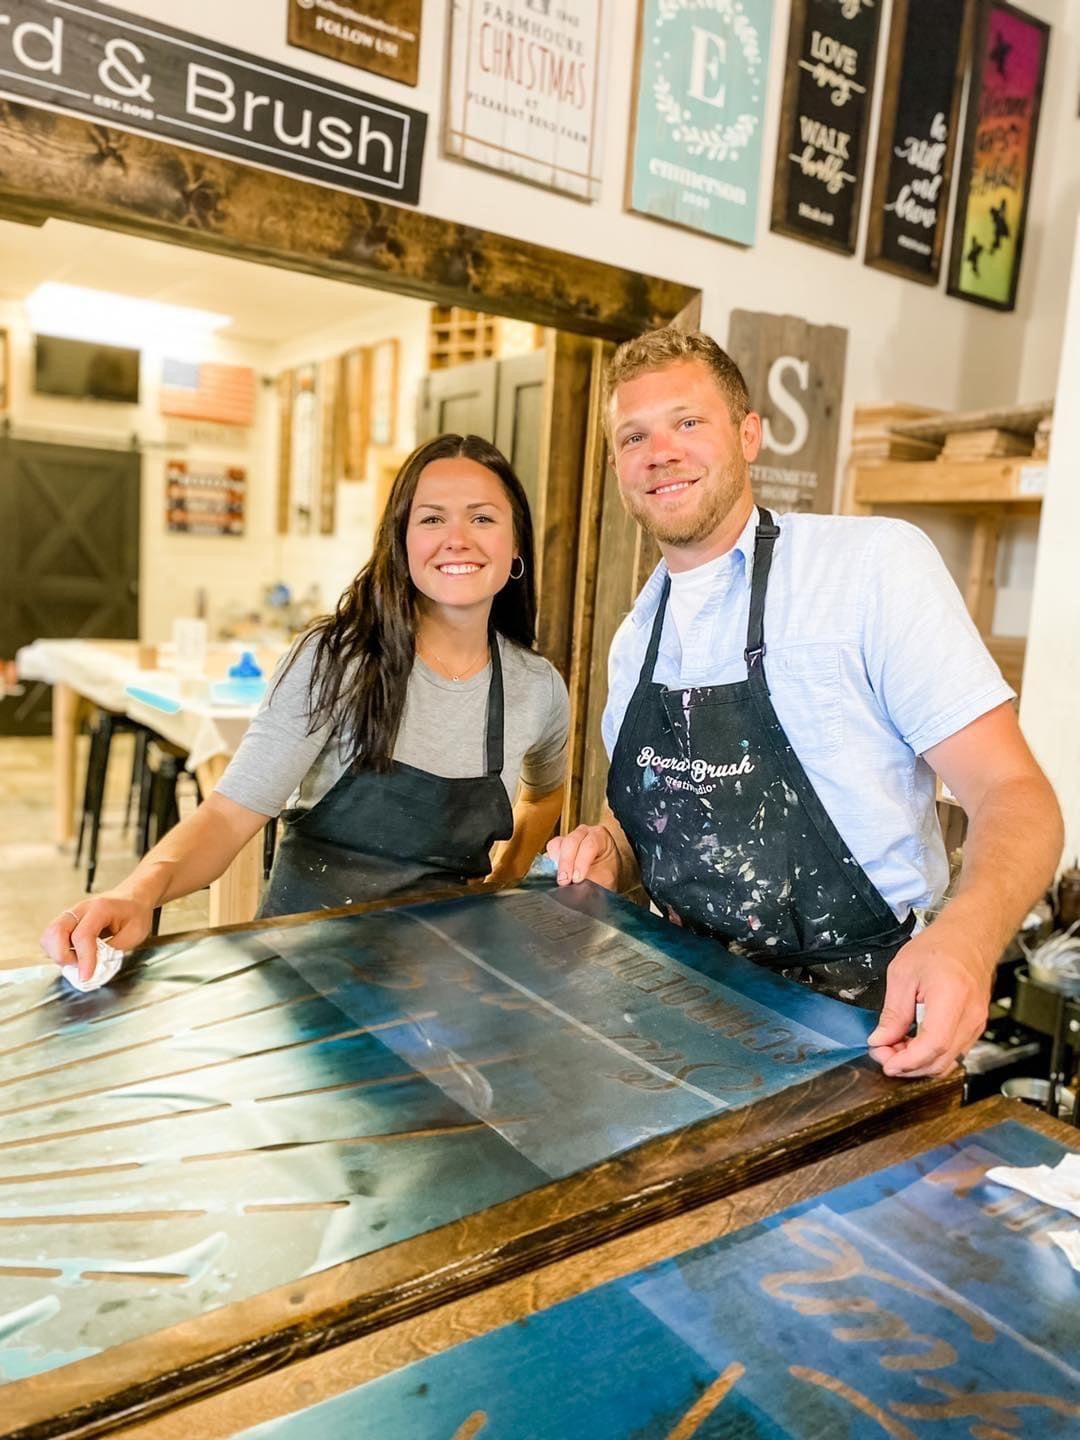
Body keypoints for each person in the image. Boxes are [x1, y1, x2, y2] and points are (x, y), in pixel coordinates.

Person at [549, 327, 1062, 1079]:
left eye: (688, 422)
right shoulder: (636, 640)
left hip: (864, 1033)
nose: (661, 450)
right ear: (619, 466)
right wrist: (610, 851)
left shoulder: (869, 571)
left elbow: (1017, 795)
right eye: (635, 435)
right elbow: (655, 819)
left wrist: (968, 938)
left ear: (748, 435)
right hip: (675, 1024)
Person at [44, 434, 569, 979]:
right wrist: (136, 893)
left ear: (515, 547)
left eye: (482, 518)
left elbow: (546, 790)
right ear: (401, 541)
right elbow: (226, 816)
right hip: (305, 966)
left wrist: (506, 877)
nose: (457, 539)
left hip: (441, 975)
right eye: (432, 519)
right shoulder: (335, 660)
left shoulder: (537, 688)